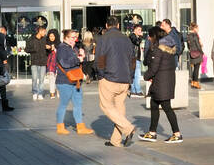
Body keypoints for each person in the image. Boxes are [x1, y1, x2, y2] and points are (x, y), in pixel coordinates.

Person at [95, 15, 137, 148]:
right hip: (125, 79)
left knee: (106, 106)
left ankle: (128, 128)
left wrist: (101, 75)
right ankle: (115, 140)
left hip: (109, 77)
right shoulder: (126, 39)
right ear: (118, 25)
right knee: (119, 108)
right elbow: (133, 60)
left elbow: (100, 59)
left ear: (107, 26)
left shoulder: (103, 38)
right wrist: (130, 77)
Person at [139, 27, 184, 144]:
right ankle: (152, 132)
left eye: (150, 36)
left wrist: (145, 76)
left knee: (167, 107)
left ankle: (177, 134)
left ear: (154, 36)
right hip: (166, 80)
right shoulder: (168, 48)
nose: (148, 38)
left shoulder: (158, 50)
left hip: (161, 82)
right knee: (154, 105)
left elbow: (154, 67)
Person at [54, 30, 94, 136]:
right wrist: (78, 59)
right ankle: (60, 126)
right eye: (72, 38)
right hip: (64, 81)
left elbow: (79, 62)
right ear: (65, 38)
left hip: (76, 81)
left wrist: (82, 56)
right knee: (63, 104)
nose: (74, 40)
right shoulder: (62, 48)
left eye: (75, 37)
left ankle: (80, 127)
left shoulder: (75, 48)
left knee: (78, 104)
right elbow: (64, 63)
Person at [26, 25, 50, 101]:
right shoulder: (31, 39)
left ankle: (40, 93)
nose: (45, 33)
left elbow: (49, 49)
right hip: (34, 61)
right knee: (34, 78)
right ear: (39, 31)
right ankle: (35, 92)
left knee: (42, 79)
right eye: (44, 31)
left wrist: (48, 48)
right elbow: (27, 49)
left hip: (43, 62)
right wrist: (34, 49)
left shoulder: (45, 39)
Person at [128, 23, 146, 98]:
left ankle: (134, 91)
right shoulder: (132, 36)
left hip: (135, 58)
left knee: (135, 74)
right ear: (134, 30)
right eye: (138, 30)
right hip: (133, 58)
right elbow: (137, 42)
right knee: (136, 74)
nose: (140, 31)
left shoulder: (135, 36)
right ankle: (136, 91)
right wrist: (141, 37)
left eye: (141, 30)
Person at [185, 23, 204, 89]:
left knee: (194, 68)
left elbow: (188, 45)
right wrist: (202, 52)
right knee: (196, 69)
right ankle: (196, 83)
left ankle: (193, 82)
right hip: (197, 53)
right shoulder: (195, 35)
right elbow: (198, 45)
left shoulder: (188, 35)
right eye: (197, 28)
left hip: (192, 53)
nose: (198, 29)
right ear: (194, 28)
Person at [45, 28, 60, 99]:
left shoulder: (59, 44)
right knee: (51, 78)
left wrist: (55, 49)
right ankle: (52, 92)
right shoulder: (46, 44)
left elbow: (61, 53)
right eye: (50, 36)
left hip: (58, 63)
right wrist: (48, 49)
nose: (52, 38)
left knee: (58, 78)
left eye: (53, 36)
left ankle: (58, 91)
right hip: (50, 64)